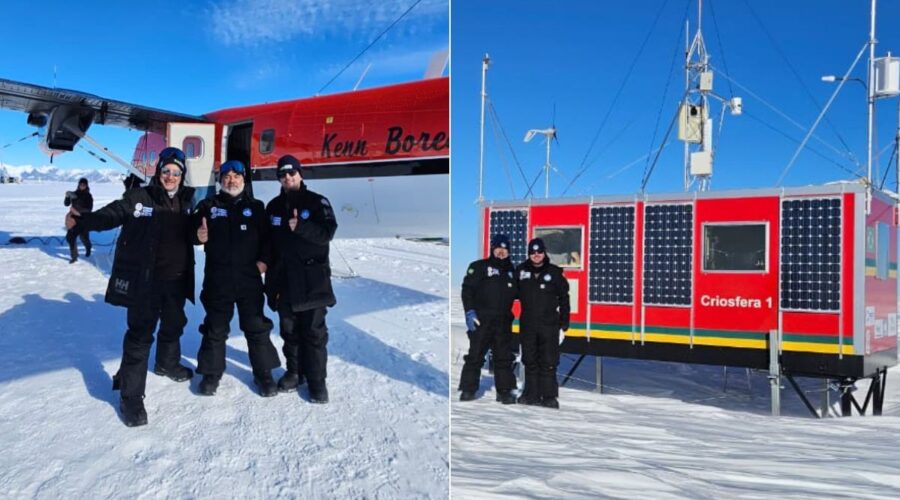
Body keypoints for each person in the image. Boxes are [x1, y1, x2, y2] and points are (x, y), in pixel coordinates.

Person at [66, 147, 196, 427]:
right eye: (166, 171)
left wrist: (200, 236)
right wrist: (82, 221)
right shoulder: (140, 198)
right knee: (140, 335)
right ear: (158, 172)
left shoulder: (187, 201)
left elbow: (191, 235)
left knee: (174, 324)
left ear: (182, 176)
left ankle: (166, 363)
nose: (170, 177)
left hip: (176, 280)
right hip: (145, 282)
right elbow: (113, 214)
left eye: (176, 172)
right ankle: (131, 396)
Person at [193, 160, 281, 397]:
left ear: (244, 179)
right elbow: (191, 230)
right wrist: (198, 235)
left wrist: (263, 262)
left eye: (236, 176)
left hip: (248, 279)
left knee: (255, 326)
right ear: (220, 180)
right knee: (215, 327)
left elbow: (268, 241)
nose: (231, 180)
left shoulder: (257, 207)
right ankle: (211, 373)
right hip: (217, 279)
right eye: (226, 177)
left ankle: (263, 373)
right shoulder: (208, 205)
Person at [265, 154, 337, 404]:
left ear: (300, 174)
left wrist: (302, 227)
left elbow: (328, 232)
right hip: (283, 280)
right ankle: (295, 372)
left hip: (312, 281)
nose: (287, 178)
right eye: (282, 175)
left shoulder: (317, 202)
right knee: (289, 331)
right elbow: (268, 243)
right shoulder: (273, 207)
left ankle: (317, 382)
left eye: (291, 173)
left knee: (314, 333)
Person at [458, 234, 518, 404]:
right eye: (499, 248)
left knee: (503, 357)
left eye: (505, 249)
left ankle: (504, 392)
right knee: (475, 355)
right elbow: (467, 290)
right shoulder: (479, 267)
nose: (501, 252)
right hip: (482, 320)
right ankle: (468, 390)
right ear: (493, 248)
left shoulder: (512, 272)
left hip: (503, 321)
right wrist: (470, 311)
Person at [515, 238, 570, 409]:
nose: (536, 255)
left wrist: (564, 324)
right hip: (528, 324)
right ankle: (530, 394)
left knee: (548, 361)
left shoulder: (554, 273)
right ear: (529, 254)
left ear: (544, 253)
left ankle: (549, 396)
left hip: (549, 325)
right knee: (529, 360)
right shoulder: (520, 271)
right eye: (533, 252)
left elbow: (564, 299)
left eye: (539, 252)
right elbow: (507, 293)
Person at [63, 177, 93, 263]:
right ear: (78, 185)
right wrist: (67, 197)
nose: (82, 186)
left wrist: (77, 210)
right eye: (81, 184)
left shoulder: (88, 196)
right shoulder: (74, 193)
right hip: (73, 219)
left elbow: (89, 209)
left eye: (84, 185)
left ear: (86, 186)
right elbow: (66, 204)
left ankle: (88, 247)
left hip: (83, 219)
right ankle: (74, 256)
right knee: (70, 237)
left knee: (84, 238)